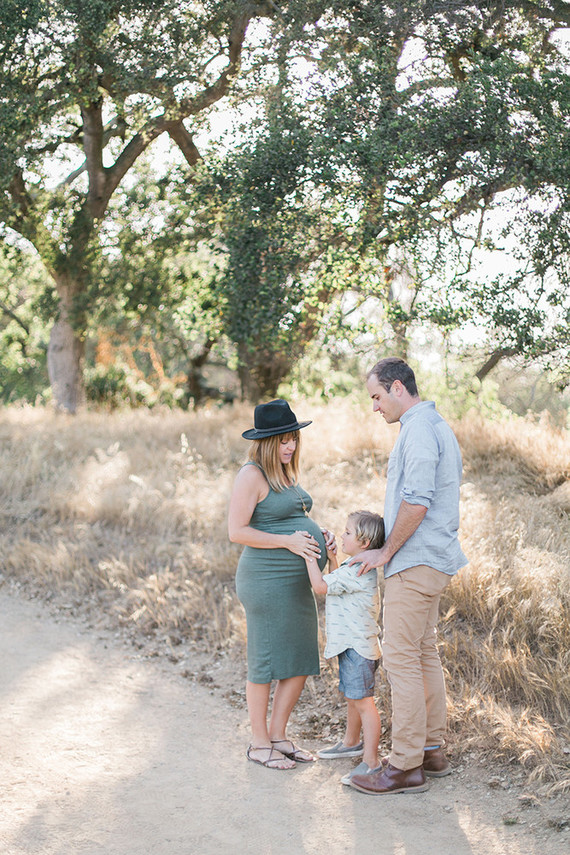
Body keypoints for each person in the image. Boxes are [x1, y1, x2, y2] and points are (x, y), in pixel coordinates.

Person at [349, 357, 468, 796]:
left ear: (398, 388)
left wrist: (384, 552)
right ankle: (432, 751)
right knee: (423, 653)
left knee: (400, 657)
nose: (375, 407)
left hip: (415, 562)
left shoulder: (418, 429)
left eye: (377, 397)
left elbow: (416, 503)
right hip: (434, 559)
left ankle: (403, 765)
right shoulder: (437, 425)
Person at [228, 399, 335, 770]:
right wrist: (289, 541)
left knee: (300, 658)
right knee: (265, 662)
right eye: (282, 440)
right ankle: (259, 744)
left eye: (293, 438)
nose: (290, 446)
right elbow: (236, 531)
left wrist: (320, 534)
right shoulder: (251, 475)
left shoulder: (285, 472)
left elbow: (291, 516)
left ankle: (278, 735)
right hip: (265, 580)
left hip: (295, 583)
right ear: (265, 443)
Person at [304, 510, 385, 785]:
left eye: (348, 532)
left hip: (357, 649)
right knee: (354, 698)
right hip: (353, 646)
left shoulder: (357, 569)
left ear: (364, 543)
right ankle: (351, 742)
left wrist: (308, 555)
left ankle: (371, 762)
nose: (342, 534)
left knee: (364, 704)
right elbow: (336, 582)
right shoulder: (353, 567)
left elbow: (320, 586)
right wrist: (334, 557)